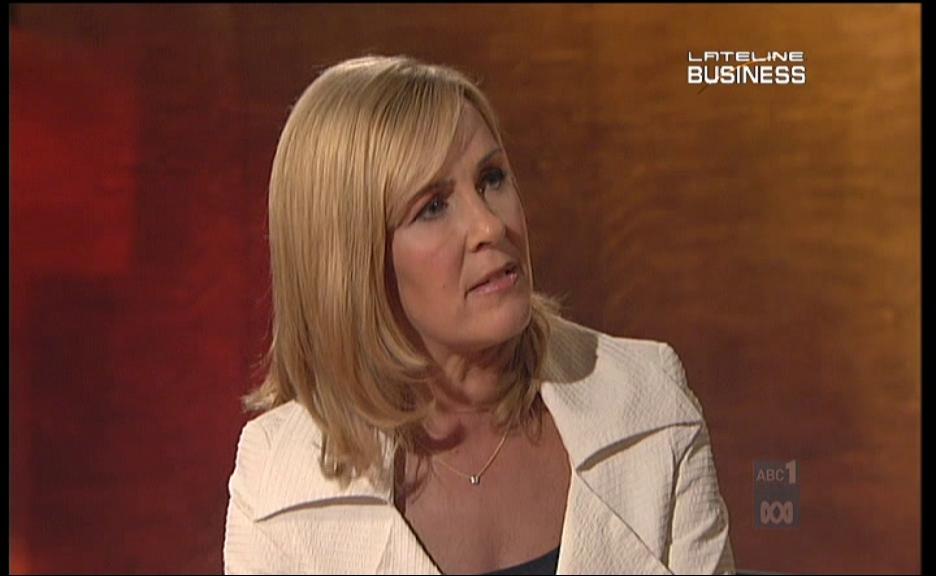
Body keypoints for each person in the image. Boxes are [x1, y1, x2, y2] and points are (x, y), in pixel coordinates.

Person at [224, 55, 735, 575]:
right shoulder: (278, 486)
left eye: (491, 178)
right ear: (352, 261)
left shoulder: (649, 404)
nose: (490, 226)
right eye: (432, 206)